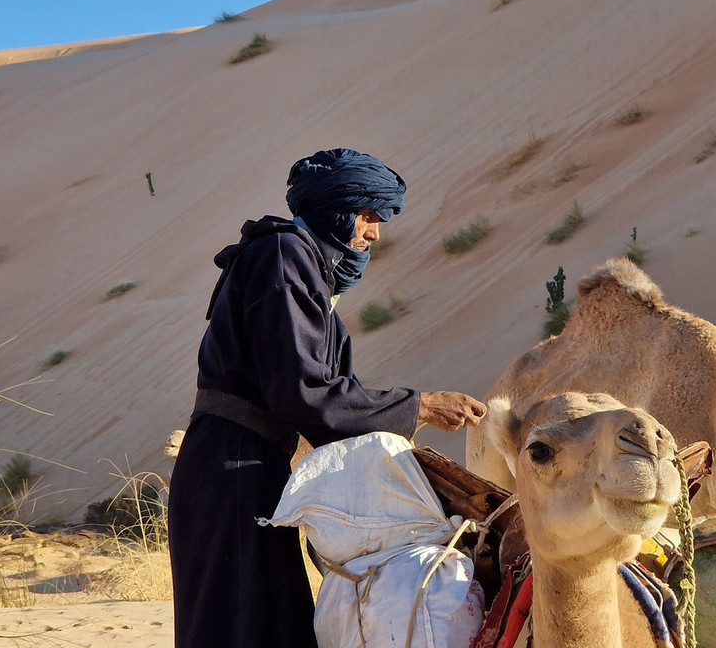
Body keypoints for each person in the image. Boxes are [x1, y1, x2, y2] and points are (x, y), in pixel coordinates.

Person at [168, 148, 486, 648]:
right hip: (230, 470)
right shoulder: (283, 255)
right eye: (368, 215)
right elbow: (307, 394)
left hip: (253, 469)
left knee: (271, 621)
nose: (375, 232)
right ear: (335, 209)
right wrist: (419, 406)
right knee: (237, 625)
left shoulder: (300, 266)